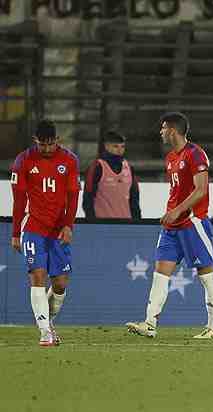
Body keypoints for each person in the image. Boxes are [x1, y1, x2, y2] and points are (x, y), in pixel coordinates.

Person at [126, 112, 213, 340]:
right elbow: (177, 192)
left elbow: (201, 190)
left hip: (192, 223)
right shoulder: (170, 158)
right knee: (160, 273)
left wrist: (178, 210)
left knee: (206, 275)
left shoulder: (195, 154)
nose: (160, 132)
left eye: (163, 128)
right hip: (172, 227)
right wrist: (170, 211)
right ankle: (150, 323)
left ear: (172, 130)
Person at [9, 120, 80, 346]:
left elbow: (73, 197)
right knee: (37, 277)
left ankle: (48, 322)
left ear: (57, 140)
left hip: (59, 230)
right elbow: (19, 199)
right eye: (43, 145)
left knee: (60, 283)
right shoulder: (23, 160)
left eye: (51, 144)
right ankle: (44, 332)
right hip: (34, 228)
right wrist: (15, 232)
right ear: (35, 141)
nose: (47, 149)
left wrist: (69, 226)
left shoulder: (69, 160)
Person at [83, 130, 141, 220]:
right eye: (115, 146)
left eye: (122, 147)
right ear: (106, 146)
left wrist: (138, 222)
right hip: (102, 225)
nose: (120, 150)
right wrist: (92, 223)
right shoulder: (97, 167)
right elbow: (88, 198)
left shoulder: (129, 168)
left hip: (126, 224)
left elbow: (134, 199)